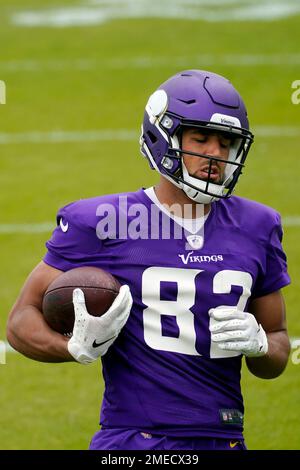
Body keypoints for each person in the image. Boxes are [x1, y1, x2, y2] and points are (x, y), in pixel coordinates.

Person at [7, 70, 291, 451]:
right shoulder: (103, 220)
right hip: (133, 440)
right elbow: (21, 320)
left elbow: (276, 347)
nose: (215, 154)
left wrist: (260, 343)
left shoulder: (258, 225)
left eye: (226, 143)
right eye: (201, 139)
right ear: (163, 137)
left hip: (225, 439)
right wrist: (73, 348)